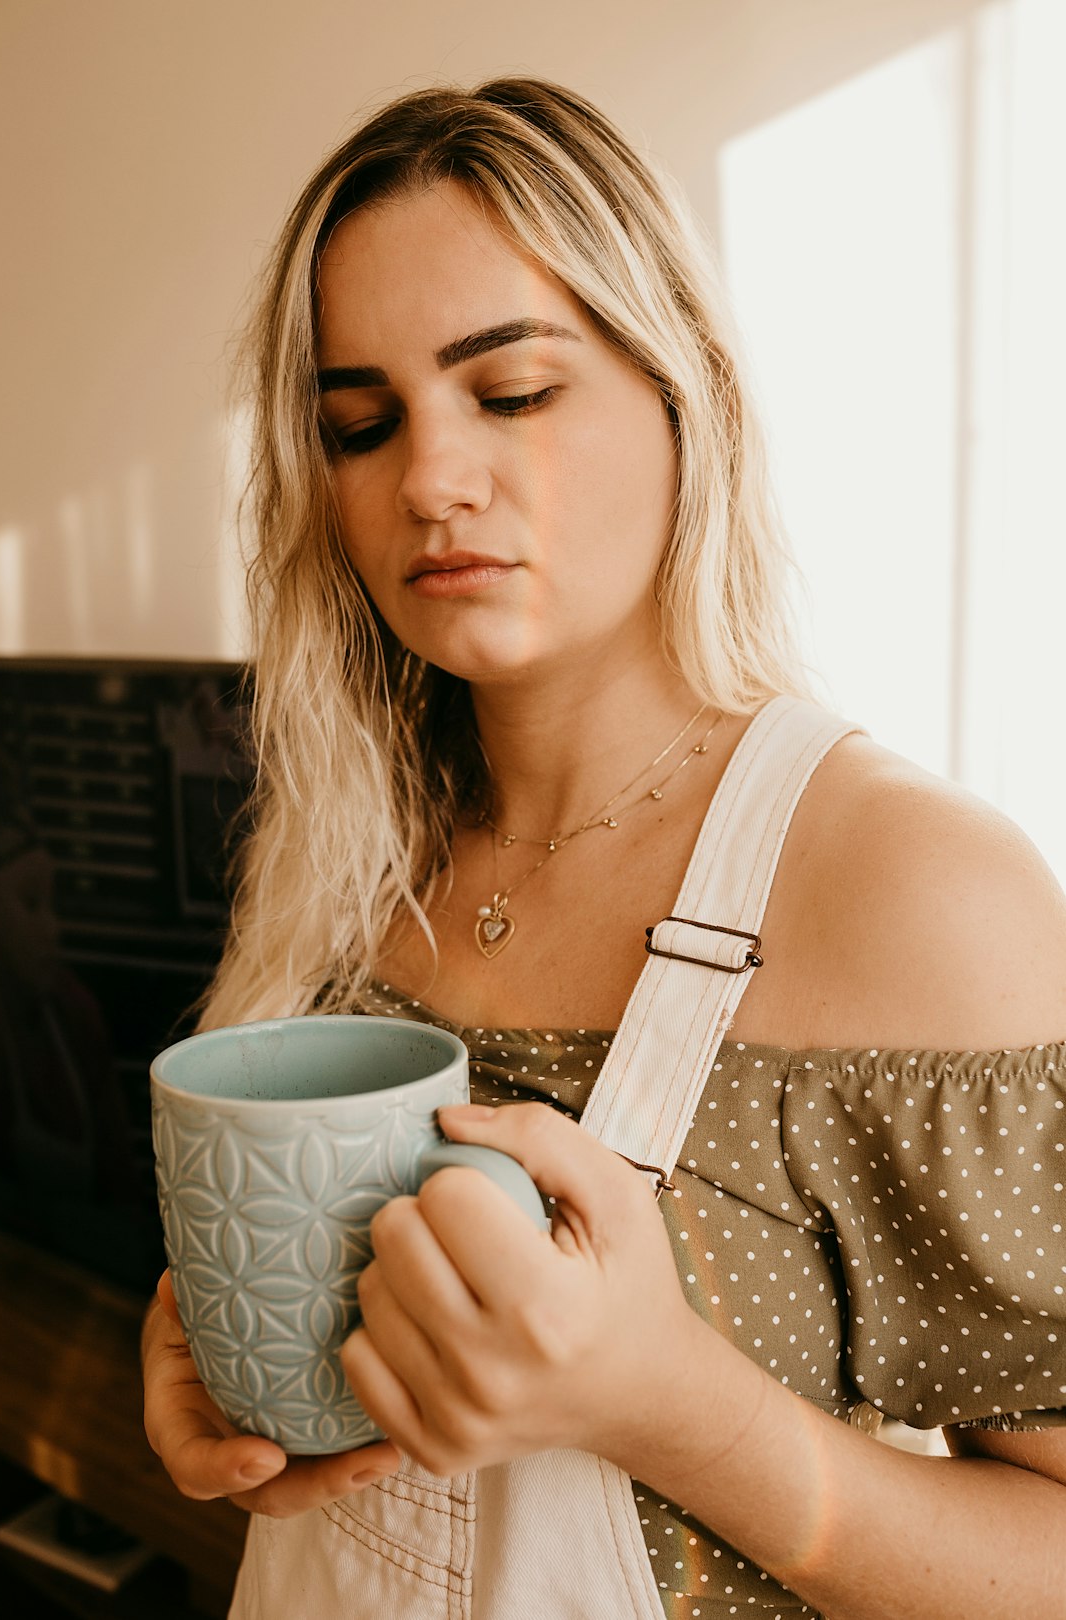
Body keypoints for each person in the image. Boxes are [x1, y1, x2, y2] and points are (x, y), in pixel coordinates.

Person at [141, 79, 1066, 1618]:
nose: (431, 481)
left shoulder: (915, 892)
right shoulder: (346, 857)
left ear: (682, 385)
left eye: (509, 392)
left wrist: (667, 1404)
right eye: (361, 425)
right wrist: (232, 1370)